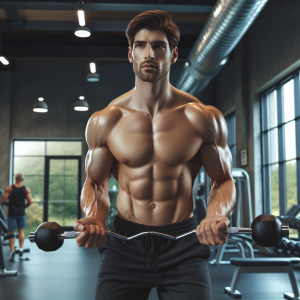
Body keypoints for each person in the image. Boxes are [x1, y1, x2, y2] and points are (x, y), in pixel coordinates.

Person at [74, 10, 236, 300]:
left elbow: (223, 181)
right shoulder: (106, 121)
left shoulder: (202, 118)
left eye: (158, 46)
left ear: (173, 55)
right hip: (124, 242)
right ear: (130, 53)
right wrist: (95, 217)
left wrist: (214, 216)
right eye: (140, 45)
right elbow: (95, 184)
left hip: (183, 244)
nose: (149, 53)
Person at [2, 173, 32, 261]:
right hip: (21, 213)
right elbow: (29, 201)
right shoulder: (26, 189)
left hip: (12, 213)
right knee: (21, 231)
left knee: (12, 232)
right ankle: (21, 249)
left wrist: (11, 205)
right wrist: (23, 207)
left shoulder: (9, 188)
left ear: (16, 179)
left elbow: (4, 200)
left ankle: (12, 250)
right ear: (22, 179)